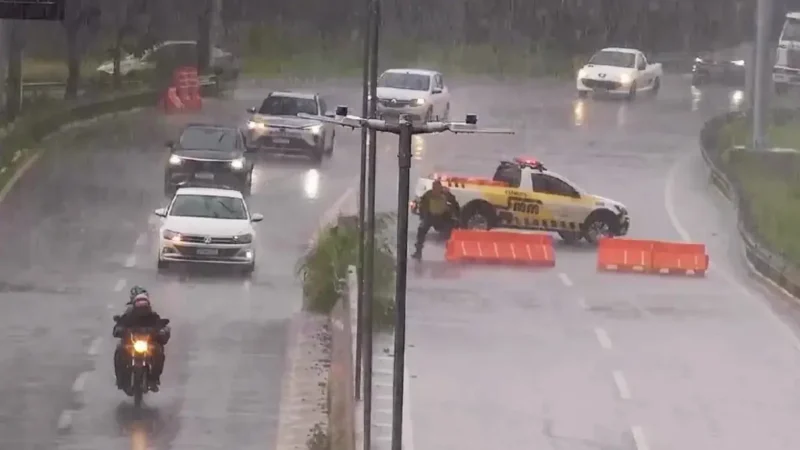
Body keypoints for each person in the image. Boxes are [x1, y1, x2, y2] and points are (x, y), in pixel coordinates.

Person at [112, 291, 170, 392]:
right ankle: (121, 379)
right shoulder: (128, 316)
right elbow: (118, 326)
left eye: (144, 307)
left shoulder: (153, 316)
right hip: (130, 344)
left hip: (149, 345)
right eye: (139, 307)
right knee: (119, 351)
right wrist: (120, 330)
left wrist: (162, 332)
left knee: (159, 353)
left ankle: (154, 379)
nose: (142, 310)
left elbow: (162, 326)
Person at [412, 179, 459, 260]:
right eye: (434, 187)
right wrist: (420, 213)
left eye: (437, 188)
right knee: (421, 230)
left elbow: (454, 204)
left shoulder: (446, 195)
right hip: (430, 216)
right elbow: (421, 203)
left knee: (451, 233)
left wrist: (455, 215)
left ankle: (453, 252)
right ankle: (418, 252)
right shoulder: (429, 194)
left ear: (440, 188)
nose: (436, 190)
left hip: (442, 217)